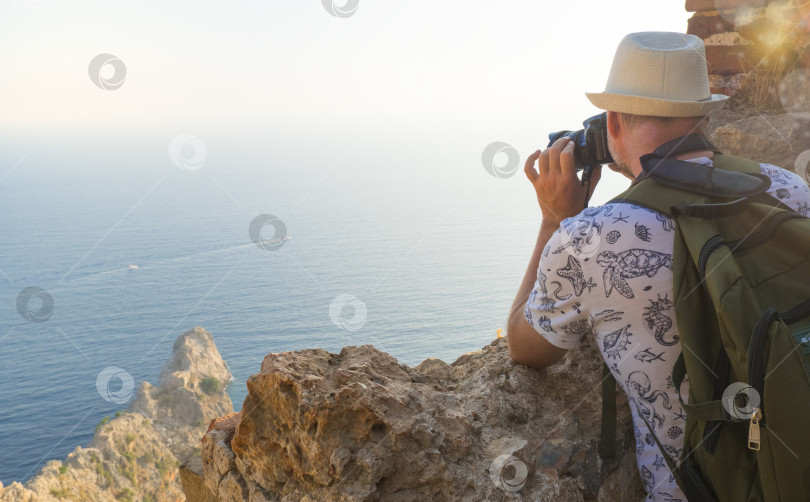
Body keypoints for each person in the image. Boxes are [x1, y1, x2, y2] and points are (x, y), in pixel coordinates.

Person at [506, 32, 810, 501]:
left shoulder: (589, 238)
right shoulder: (789, 190)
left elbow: (527, 349)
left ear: (613, 122)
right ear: (703, 114)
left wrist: (553, 221)